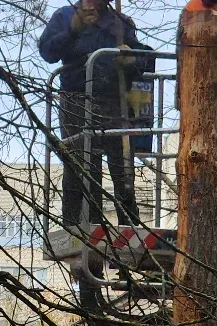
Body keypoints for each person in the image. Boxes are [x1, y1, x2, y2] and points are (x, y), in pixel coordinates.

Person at [39, 0, 149, 227]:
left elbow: (143, 59)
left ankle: (130, 227)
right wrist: (73, 29)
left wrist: (132, 59)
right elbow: (48, 52)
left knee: (123, 169)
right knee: (80, 167)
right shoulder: (65, 16)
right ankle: (77, 228)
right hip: (76, 102)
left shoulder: (120, 23)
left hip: (115, 103)